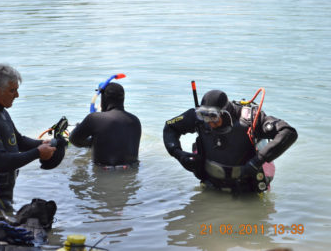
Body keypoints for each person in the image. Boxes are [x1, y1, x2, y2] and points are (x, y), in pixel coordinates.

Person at [163, 89, 298, 193]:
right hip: (211, 187)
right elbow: (170, 127)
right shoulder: (199, 119)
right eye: (205, 118)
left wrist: (257, 161)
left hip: (248, 191)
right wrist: (178, 154)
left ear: (225, 114)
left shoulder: (250, 119)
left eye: (213, 118)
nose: (209, 123)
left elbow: (288, 132)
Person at [0, 64, 58, 211]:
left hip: (1, 193)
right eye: (12, 90)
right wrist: (38, 153)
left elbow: (18, 141)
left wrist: (42, 143)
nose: (17, 95)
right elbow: (1, 161)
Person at [69, 82, 141, 167]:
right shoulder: (135, 120)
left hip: (103, 173)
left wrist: (91, 142)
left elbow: (74, 139)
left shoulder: (94, 118)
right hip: (131, 172)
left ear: (104, 98)